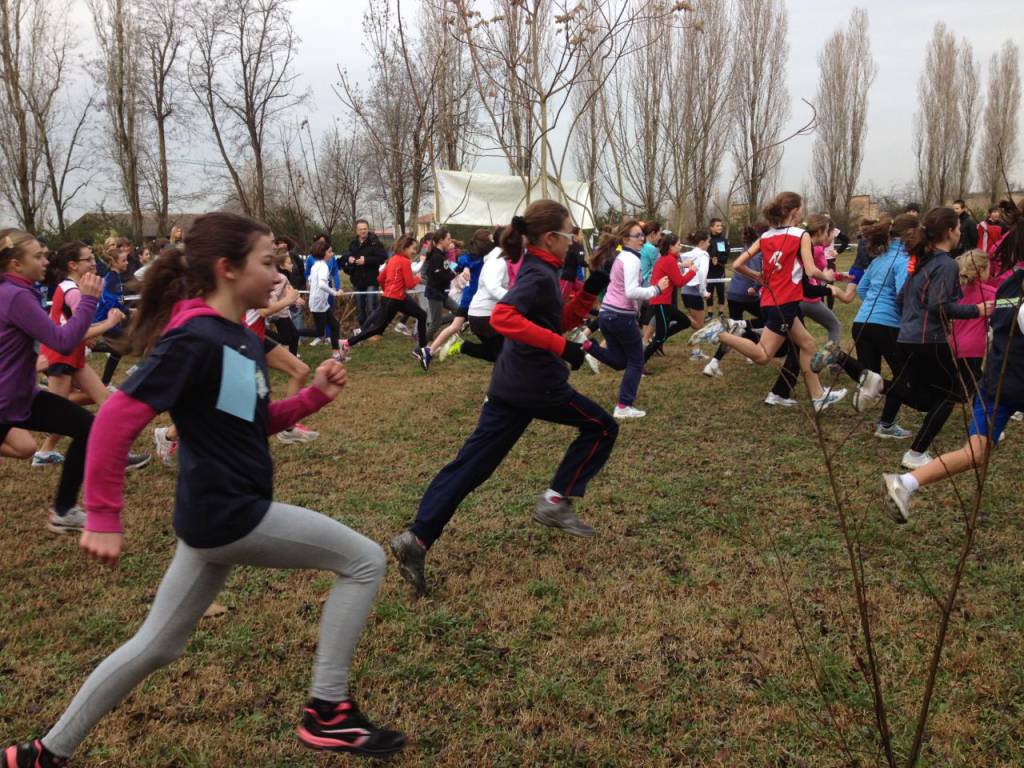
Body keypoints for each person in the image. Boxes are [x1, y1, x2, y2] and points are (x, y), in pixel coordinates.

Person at [2, 212, 406, 768]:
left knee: (157, 645)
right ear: (226, 268)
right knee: (363, 560)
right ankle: (327, 711)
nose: (277, 274)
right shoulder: (194, 337)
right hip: (231, 515)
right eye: (267, 263)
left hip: (209, 520)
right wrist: (101, 514)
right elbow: (118, 415)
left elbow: (250, 418)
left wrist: (313, 398)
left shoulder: (233, 337)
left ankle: (44, 753)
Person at [389, 201, 615, 596]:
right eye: (570, 232)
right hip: (537, 385)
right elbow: (504, 318)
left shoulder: (541, 270)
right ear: (551, 238)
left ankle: (416, 539)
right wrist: (562, 349)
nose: (574, 239)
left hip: (510, 383)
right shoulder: (539, 275)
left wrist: (590, 290)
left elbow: (554, 320)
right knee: (601, 427)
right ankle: (555, 501)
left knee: (471, 466)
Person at [882, 224, 1024, 524]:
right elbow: (940, 306)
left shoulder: (1009, 284)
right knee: (944, 396)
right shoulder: (947, 268)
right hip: (1008, 378)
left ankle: (905, 483)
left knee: (974, 452)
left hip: (996, 383)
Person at [856, 207, 994, 470]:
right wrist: (976, 310)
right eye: (956, 229)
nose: (958, 234)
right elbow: (940, 305)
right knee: (949, 394)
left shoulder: (921, 261)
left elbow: (901, 298)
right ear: (948, 232)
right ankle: (916, 453)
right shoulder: (944, 264)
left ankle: (880, 386)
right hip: (929, 339)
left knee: (922, 399)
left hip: (907, 337)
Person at [0, 231, 104, 533]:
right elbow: (63, 340)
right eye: (39, 256)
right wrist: (87, 301)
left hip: (22, 398)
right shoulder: (16, 295)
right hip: (6, 402)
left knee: (89, 427)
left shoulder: (18, 291)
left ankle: (64, 509)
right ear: (16, 264)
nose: (47, 261)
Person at [717, 192, 844, 413]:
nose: (803, 211)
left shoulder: (766, 236)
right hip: (784, 303)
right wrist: (829, 277)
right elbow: (812, 269)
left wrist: (756, 276)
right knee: (763, 355)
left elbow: (737, 264)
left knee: (807, 344)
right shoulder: (800, 235)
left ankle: (818, 397)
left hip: (772, 300)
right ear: (794, 211)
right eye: (802, 207)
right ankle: (719, 333)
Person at [35, 243, 150, 471]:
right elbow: (78, 330)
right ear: (73, 265)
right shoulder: (74, 291)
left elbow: (77, 326)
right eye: (88, 259)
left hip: (70, 354)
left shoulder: (73, 287)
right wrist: (109, 322)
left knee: (103, 400)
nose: (94, 262)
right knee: (60, 410)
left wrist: (92, 330)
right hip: (61, 356)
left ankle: (45, 451)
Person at [583, 219, 670, 419]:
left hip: (607, 315)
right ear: (625, 239)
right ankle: (624, 406)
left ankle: (587, 346)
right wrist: (656, 289)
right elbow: (631, 291)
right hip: (620, 316)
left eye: (642, 234)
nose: (642, 238)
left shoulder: (621, 256)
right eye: (637, 235)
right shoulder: (631, 260)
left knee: (619, 361)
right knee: (636, 361)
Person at [342, 235, 431, 367]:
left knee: (422, 315)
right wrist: (418, 278)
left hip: (394, 297)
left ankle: (422, 351)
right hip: (394, 299)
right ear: (405, 248)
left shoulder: (392, 259)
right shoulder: (405, 261)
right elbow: (410, 284)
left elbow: (380, 278)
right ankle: (347, 343)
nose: (415, 251)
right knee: (378, 329)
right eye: (413, 248)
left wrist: (387, 290)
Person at [703, 223, 766, 379]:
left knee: (733, 331)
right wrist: (757, 287)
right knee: (768, 320)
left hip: (732, 293)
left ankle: (713, 364)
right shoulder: (761, 251)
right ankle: (747, 340)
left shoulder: (747, 248)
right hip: (747, 294)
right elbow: (762, 274)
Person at [643, 233, 696, 363]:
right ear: (670, 247)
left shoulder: (669, 259)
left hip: (665, 303)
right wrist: (692, 271)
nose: (680, 248)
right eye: (678, 245)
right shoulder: (669, 260)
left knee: (685, 322)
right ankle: (640, 363)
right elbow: (679, 282)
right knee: (660, 338)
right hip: (661, 302)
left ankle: (660, 335)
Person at [299, 240, 344, 359]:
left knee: (335, 326)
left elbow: (311, 281)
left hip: (320, 302)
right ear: (323, 253)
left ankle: (336, 354)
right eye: (329, 252)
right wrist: (335, 292)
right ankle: (294, 332)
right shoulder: (323, 266)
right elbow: (322, 285)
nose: (332, 254)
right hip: (318, 303)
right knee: (319, 332)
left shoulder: (316, 265)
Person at [342, 219, 387, 329]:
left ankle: (375, 329)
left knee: (372, 306)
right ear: (357, 231)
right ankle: (363, 329)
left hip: (371, 279)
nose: (363, 231)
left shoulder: (375, 243)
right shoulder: (353, 244)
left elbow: (383, 258)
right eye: (361, 229)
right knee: (360, 307)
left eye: (365, 229)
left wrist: (366, 260)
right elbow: (346, 256)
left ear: (368, 229)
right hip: (357, 280)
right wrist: (349, 259)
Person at [680, 230, 712, 361]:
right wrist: (704, 292)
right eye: (708, 241)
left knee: (697, 324)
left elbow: (681, 266)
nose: (709, 244)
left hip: (685, 291)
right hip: (694, 292)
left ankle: (696, 352)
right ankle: (677, 318)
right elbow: (702, 274)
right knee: (699, 325)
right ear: (702, 242)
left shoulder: (686, 254)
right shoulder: (704, 255)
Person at [423, 229, 459, 341]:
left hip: (442, 293)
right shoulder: (436, 256)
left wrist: (458, 268)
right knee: (435, 325)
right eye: (448, 239)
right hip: (434, 293)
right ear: (440, 240)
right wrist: (453, 274)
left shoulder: (443, 255)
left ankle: (436, 321)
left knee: (459, 312)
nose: (450, 241)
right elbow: (439, 277)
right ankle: (419, 348)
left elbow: (447, 270)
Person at [707, 218, 730, 318]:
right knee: (709, 292)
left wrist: (718, 260)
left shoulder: (723, 241)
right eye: (717, 226)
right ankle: (710, 314)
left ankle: (721, 313)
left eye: (721, 225)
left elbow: (725, 255)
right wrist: (710, 260)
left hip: (720, 270)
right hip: (709, 270)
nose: (720, 227)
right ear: (711, 228)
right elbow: (704, 254)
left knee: (720, 291)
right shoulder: (707, 241)